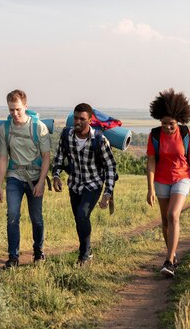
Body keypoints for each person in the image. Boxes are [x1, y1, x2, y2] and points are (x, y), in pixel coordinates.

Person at [146, 89, 190, 277]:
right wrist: (150, 189)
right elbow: (151, 163)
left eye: (171, 124)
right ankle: (172, 254)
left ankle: (169, 261)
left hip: (182, 177)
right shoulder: (155, 135)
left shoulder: (186, 133)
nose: (167, 127)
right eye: (164, 123)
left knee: (173, 215)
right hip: (161, 180)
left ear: (178, 121)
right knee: (165, 221)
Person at [52, 103, 117, 266]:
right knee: (79, 219)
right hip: (74, 185)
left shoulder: (99, 140)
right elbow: (59, 157)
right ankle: (86, 250)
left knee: (82, 214)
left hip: (93, 184)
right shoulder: (67, 135)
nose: (78, 122)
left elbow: (110, 166)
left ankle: (84, 255)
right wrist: (56, 175)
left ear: (89, 120)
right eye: (76, 118)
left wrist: (107, 192)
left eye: (82, 119)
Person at [0, 89, 51, 268]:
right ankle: (13, 257)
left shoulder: (38, 127)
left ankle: (38, 251)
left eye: (18, 109)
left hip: (35, 177)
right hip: (14, 177)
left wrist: (41, 182)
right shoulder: (5, 128)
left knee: (36, 218)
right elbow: (3, 158)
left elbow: (46, 157)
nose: (14, 113)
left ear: (25, 106)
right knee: (12, 215)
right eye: (11, 110)